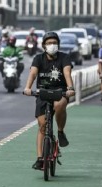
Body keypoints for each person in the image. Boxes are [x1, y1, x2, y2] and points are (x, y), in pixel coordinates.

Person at [23, 31, 75, 170]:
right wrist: (28, 88)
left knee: (59, 105)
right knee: (42, 126)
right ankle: (40, 158)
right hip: (43, 93)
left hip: (60, 92)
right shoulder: (38, 58)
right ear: (44, 46)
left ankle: (60, 131)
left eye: (54, 43)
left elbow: (67, 72)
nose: (52, 45)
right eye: (49, 43)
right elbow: (33, 73)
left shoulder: (64, 57)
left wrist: (70, 87)